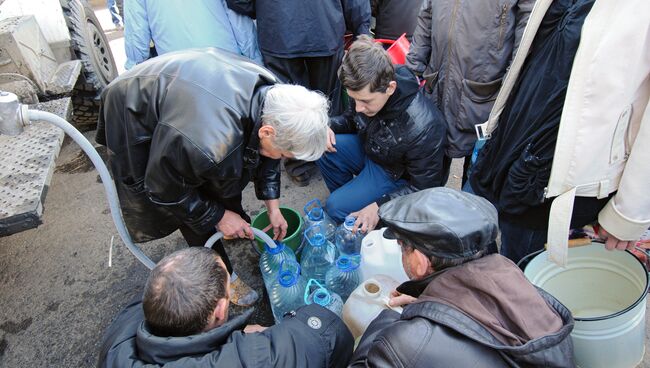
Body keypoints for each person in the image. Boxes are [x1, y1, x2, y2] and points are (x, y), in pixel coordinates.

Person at [96, 48, 330, 305]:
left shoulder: (274, 97)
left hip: (188, 97)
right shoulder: (207, 145)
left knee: (225, 174)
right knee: (192, 205)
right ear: (267, 131)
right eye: (285, 153)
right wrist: (217, 216)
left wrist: (273, 207)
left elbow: (266, 155)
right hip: (132, 108)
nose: (283, 158)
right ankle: (223, 276)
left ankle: (228, 226)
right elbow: (166, 188)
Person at [468, 0, 650, 263]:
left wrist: (628, 214)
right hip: (512, 147)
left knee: (531, 279)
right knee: (497, 255)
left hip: (563, 183)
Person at [350, 188, 576, 367]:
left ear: (420, 262)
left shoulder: (407, 342)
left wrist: (390, 318)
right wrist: (429, 306)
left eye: (402, 246)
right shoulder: (508, 270)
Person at [98, 247, 353, 367]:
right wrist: (256, 341)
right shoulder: (255, 357)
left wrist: (231, 338)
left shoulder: (117, 342)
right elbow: (327, 336)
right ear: (220, 310)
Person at [226, 0, 370, 186]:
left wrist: (267, 8)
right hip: (323, 27)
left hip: (278, 29)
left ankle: (300, 163)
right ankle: (328, 153)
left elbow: (239, 2)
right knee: (325, 102)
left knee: (287, 110)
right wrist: (362, 30)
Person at [317, 35, 447, 231]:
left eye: (365, 101)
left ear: (390, 88)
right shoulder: (366, 87)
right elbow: (351, 119)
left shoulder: (425, 126)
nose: (358, 107)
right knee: (323, 146)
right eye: (354, 99)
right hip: (373, 151)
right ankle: (352, 211)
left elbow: (424, 189)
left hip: (395, 174)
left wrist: (379, 206)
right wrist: (328, 126)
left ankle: (357, 217)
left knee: (335, 206)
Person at [406, 0, 534, 186]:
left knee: (477, 182)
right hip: (437, 86)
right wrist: (412, 69)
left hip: (486, 91)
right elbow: (427, 15)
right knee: (428, 176)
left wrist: (512, 83)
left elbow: (527, 30)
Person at [124, 0, 262, 70]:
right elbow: (238, 19)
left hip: (177, 68)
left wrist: (134, 65)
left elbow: (136, 30)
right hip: (227, 62)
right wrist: (254, 58)